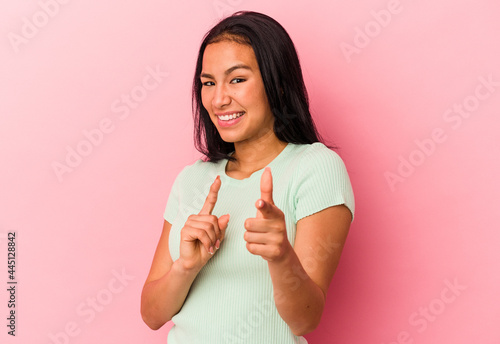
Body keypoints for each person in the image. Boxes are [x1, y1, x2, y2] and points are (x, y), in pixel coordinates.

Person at [141, 11, 355, 344]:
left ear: (278, 83)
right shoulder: (192, 180)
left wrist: (281, 256)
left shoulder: (316, 168)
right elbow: (152, 314)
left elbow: (306, 319)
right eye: (208, 82)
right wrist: (186, 266)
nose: (218, 99)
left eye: (237, 79)